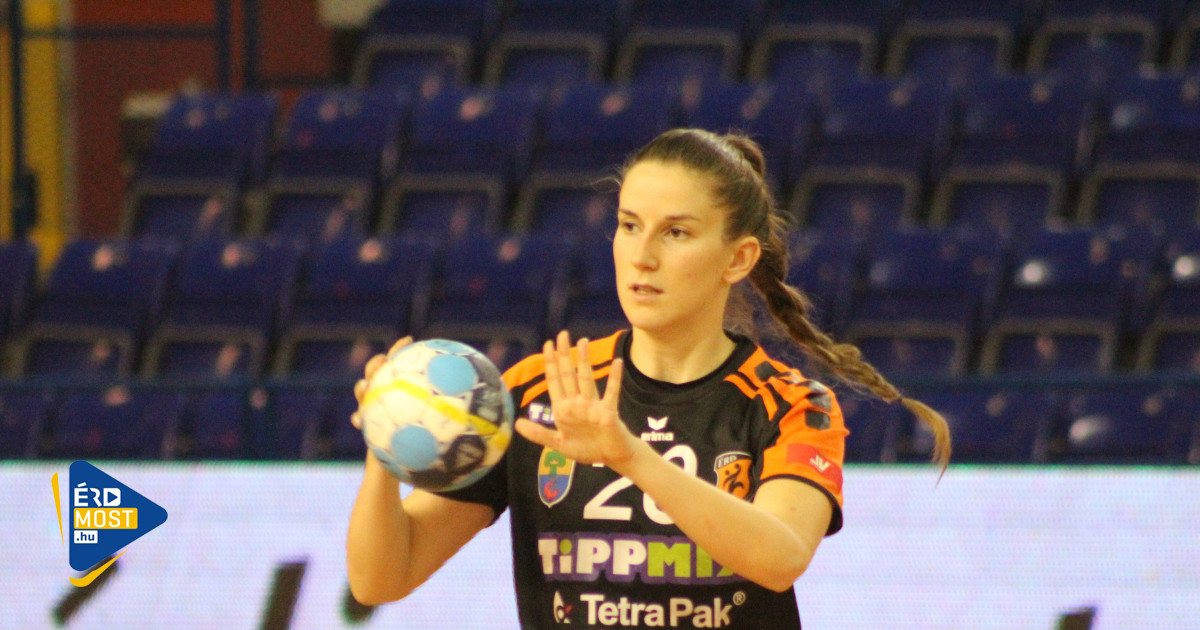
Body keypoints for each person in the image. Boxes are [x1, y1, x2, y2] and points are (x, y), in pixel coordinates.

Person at [346, 128, 952, 629]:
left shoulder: (791, 404)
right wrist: (386, 439)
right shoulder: (539, 391)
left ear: (738, 258)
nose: (642, 256)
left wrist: (629, 456)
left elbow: (780, 557)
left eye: (676, 232)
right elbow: (380, 579)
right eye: (630, 225)